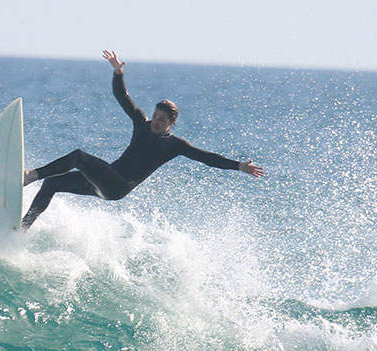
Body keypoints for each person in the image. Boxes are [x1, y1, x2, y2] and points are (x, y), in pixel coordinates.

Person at [21, 50, 264, 230]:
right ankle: (22, 229)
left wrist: (239, 166)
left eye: (162, 120)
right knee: (52, 184)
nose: (156, 122)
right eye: (156, 116)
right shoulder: (141, 122)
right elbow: (122, 95)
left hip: (118, 186)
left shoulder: (174, 145)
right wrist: (118, 73)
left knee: (78, 157)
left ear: (171, 123)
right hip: (104, 179)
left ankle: (30, 175)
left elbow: (206, 158)